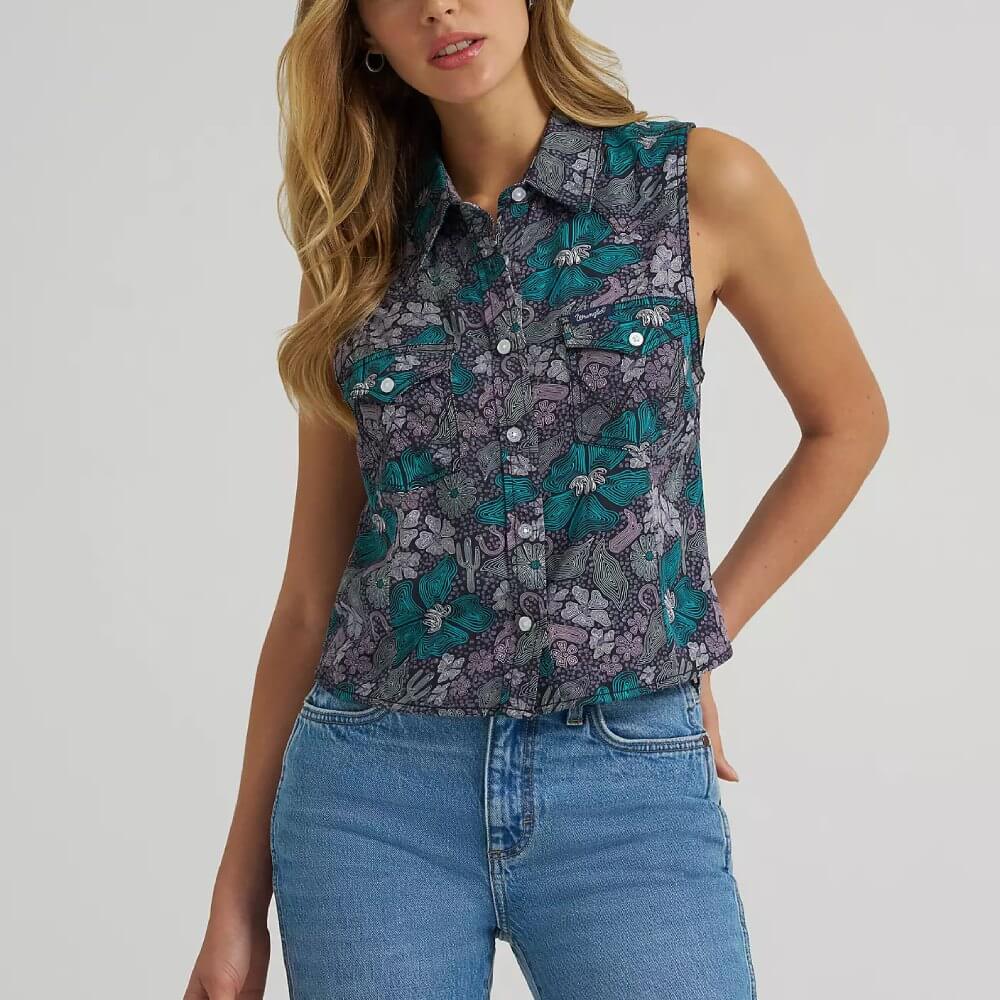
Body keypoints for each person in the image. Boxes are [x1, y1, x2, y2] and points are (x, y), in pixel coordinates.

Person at [183, 2, 889, 998]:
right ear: (363, 31)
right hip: (371, 798)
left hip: (626, 785)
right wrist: (234, 902)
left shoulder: (695, 184)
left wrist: (692, 632)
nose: (439, 6)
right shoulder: (356, 247)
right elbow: (310, 596)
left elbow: (847, 425)